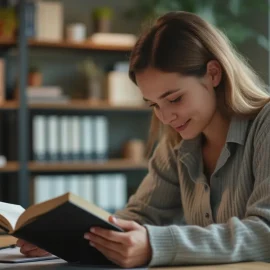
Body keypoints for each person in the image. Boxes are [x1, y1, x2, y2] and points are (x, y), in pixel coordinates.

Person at [17, 11, 270, 268]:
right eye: (154, 105)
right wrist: (70, 238)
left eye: (174, 99)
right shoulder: (179, 143)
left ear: (213, 74)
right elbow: (141, 216)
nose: (165, 117)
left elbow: (265, 232)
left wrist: (156, 244)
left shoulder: (265, 125)